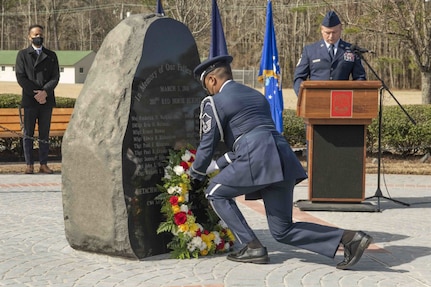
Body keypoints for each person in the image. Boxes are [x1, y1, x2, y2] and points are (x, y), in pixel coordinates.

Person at [190, 54, 373, 270]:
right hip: (281, 157)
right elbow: (252, 136)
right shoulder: (256, 96)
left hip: (257, 157)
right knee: (282, 230)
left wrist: (195, 174)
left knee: (215, 192)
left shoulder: (213, 102)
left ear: (212, 80)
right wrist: (219, 164)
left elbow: (207, 144)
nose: (207, 91)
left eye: (206, 86)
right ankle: (350, 238)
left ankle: (252, 246)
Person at [15, 24, 60, 174]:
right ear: (29, 37)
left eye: (40, 34)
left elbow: (55, 77)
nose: (38, 37)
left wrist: (45, 92)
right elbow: (21, 77)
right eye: (35, 35)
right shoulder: (22, 55)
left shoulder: (51, 55)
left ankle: (43, 163)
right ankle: (29, 164)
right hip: (29, 100)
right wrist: (35, 94)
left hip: (46, 101)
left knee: (44, 133)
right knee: (28, 133)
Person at [293, 10, 366, 95]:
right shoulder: (310, 50)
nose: (331, 36)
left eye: (334, 32)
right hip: (316, 100)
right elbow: (299, 77)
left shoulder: (351, 50)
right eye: (327, 33)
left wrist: (355, 97)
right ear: (321, 30)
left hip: (342, 101)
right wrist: (304, 97)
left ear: (340, 28)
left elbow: (360, 78)